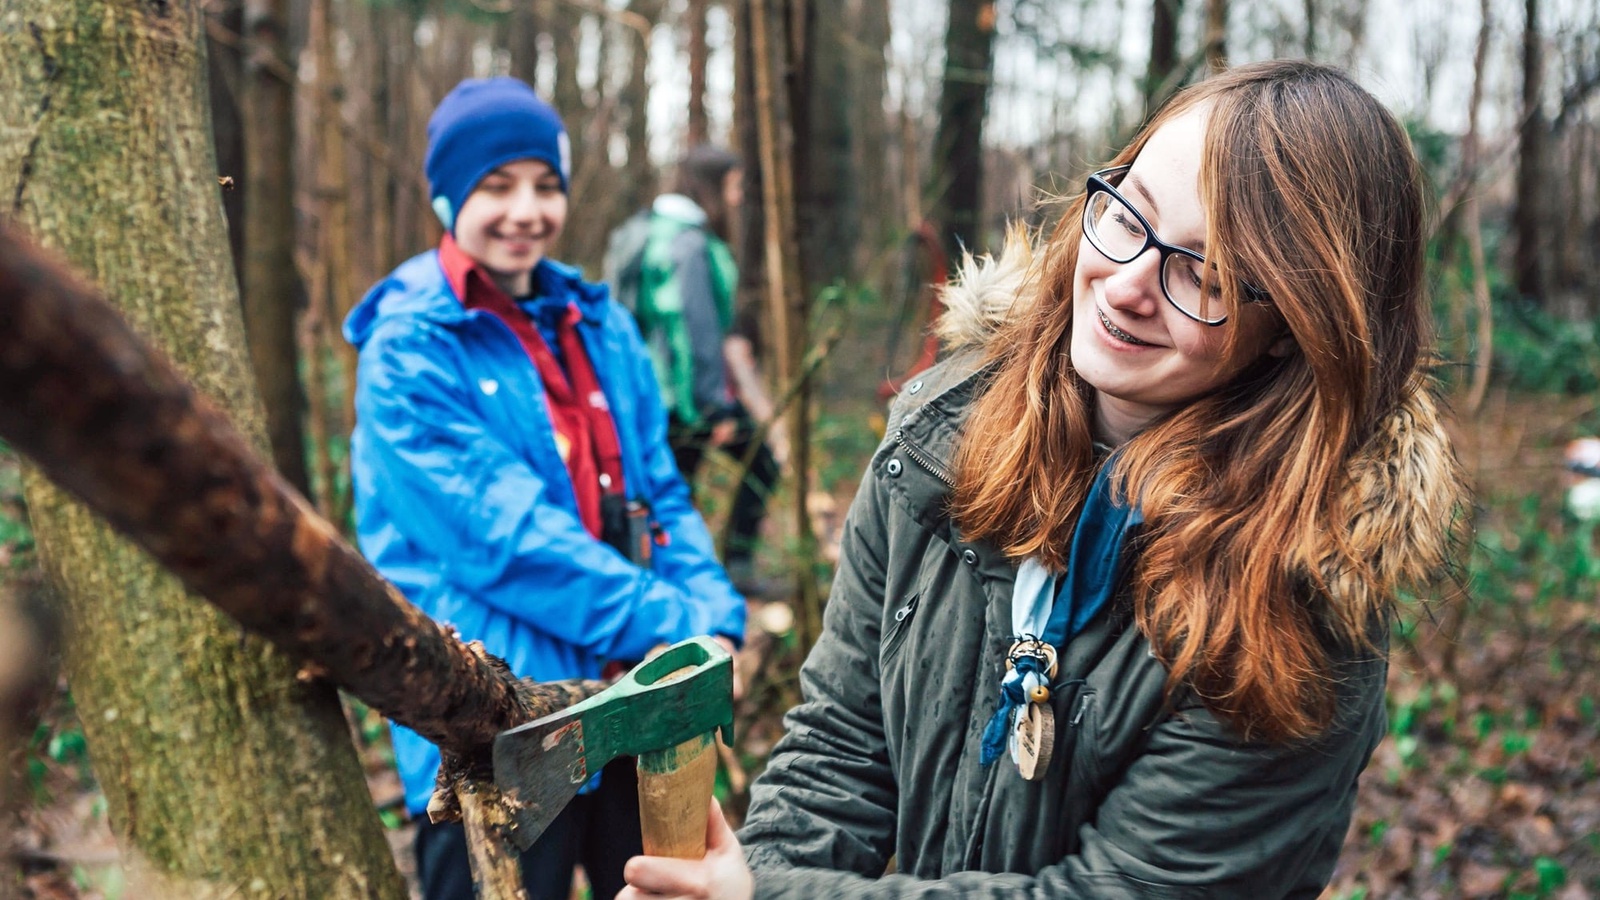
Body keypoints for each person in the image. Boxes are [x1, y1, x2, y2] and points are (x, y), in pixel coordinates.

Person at [618, 60, 1468, 899]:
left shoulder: (1299, 596)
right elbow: (843, 739)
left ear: (1294, 325)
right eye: (1129, 217)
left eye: (1202, 273)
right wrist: (739, 883)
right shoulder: (937, 438)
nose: (1128, 284)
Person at [343, 77, 746, 900]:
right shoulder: (409, 348)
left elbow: (660, 493)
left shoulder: (599, 322)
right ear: (448, 195)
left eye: (545, 185)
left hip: (633, 699)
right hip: (493, 728)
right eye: (497, 187)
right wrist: (679, 626)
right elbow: (507, 540)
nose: (525, 210)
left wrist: (712, 613)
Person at [616, 146, 784, 593]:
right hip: (685, 399)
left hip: (663, 394)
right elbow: (695, 326)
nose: (737, 197)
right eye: (733, 186)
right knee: (761, 466)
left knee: (675, 488)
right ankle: (734, 570)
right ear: (710, 186)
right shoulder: (688, 243)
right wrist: (714, 407)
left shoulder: (661, 232)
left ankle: (676, 577)